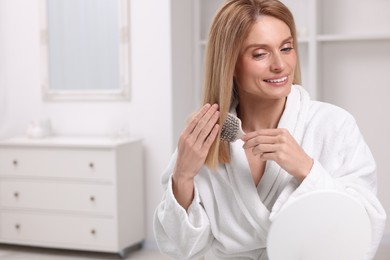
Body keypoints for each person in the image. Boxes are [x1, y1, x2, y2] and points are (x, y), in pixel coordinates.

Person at [154, 0, 387, 259]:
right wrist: (182, 179)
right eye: (260, 54)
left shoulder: (333, 126)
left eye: (286, 48)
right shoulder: (204, 138)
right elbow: (182, 248)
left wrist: (307, 169)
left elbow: (366, 225)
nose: (280, 65)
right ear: (229, 63)